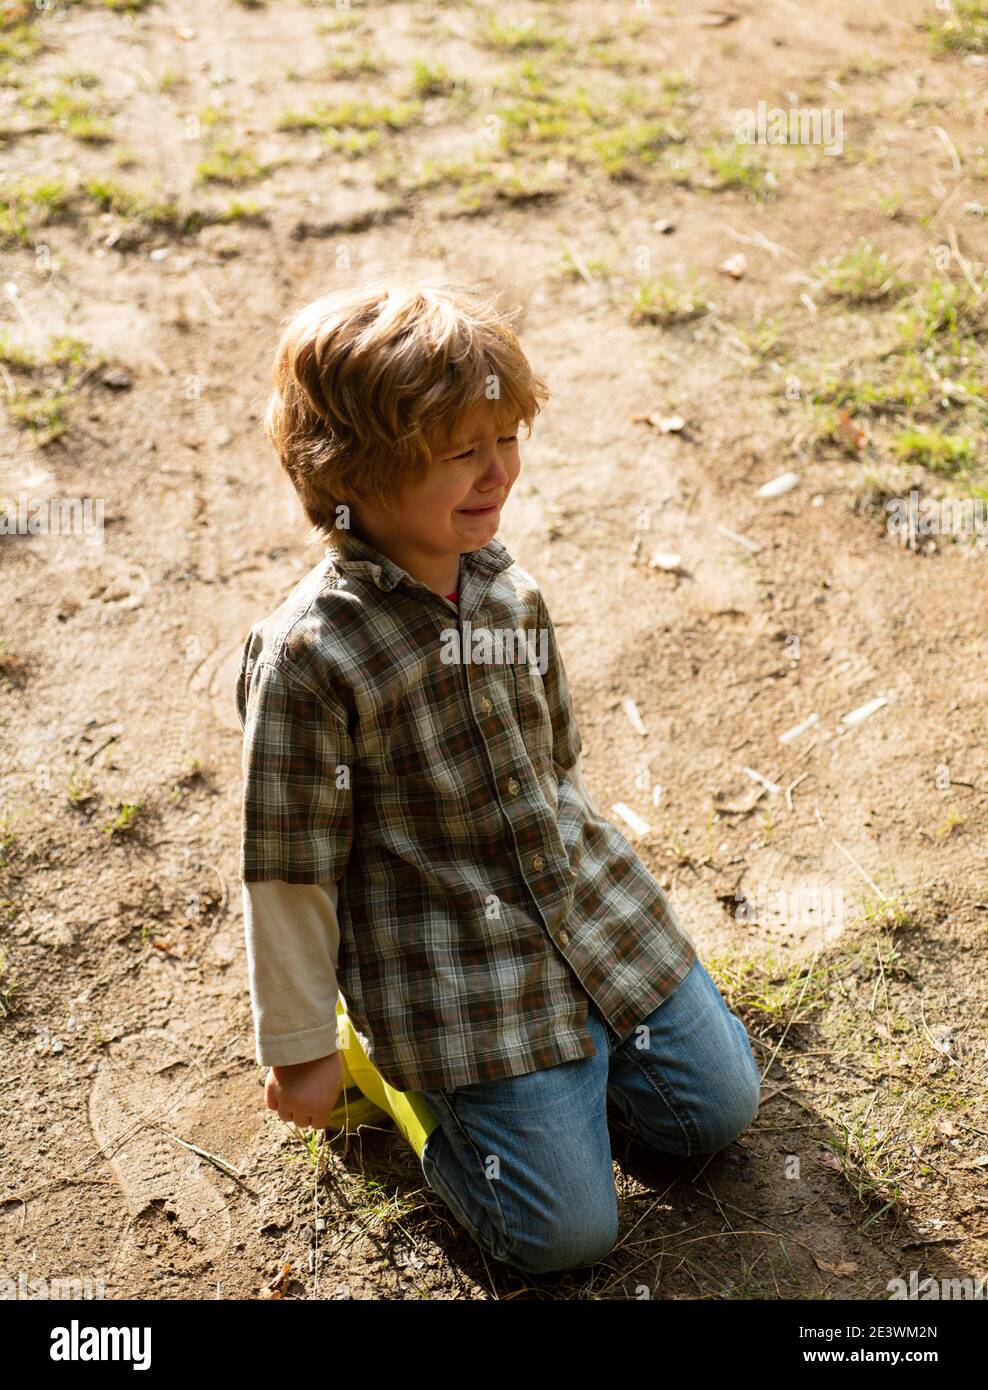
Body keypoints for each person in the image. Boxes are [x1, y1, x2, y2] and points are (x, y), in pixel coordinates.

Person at [236, 273, 761, 1276]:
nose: (495, 474)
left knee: (716, 1115)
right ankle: (414, 1092)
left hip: (588, 917)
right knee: (561, 1237)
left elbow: (556, 762)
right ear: (354, 470)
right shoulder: (310, 659)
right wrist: (299, 1045)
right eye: (458, 455)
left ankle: (582, 1067)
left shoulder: (506, 586)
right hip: (452, 976)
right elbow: (287, 871)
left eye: (503, 441)